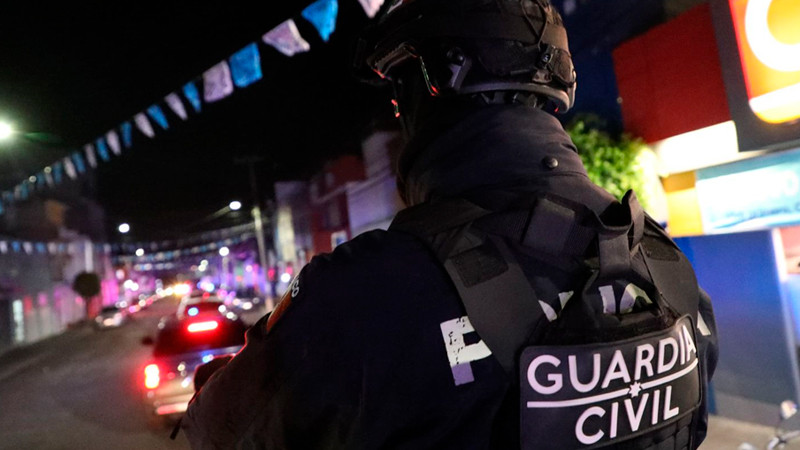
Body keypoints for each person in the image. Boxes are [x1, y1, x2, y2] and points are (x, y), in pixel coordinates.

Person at [181, 0, 718, 448]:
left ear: (433, 85)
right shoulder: (665, 265)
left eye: (399, 99)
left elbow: (216, 431)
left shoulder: (364, 294)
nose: (399, 118)